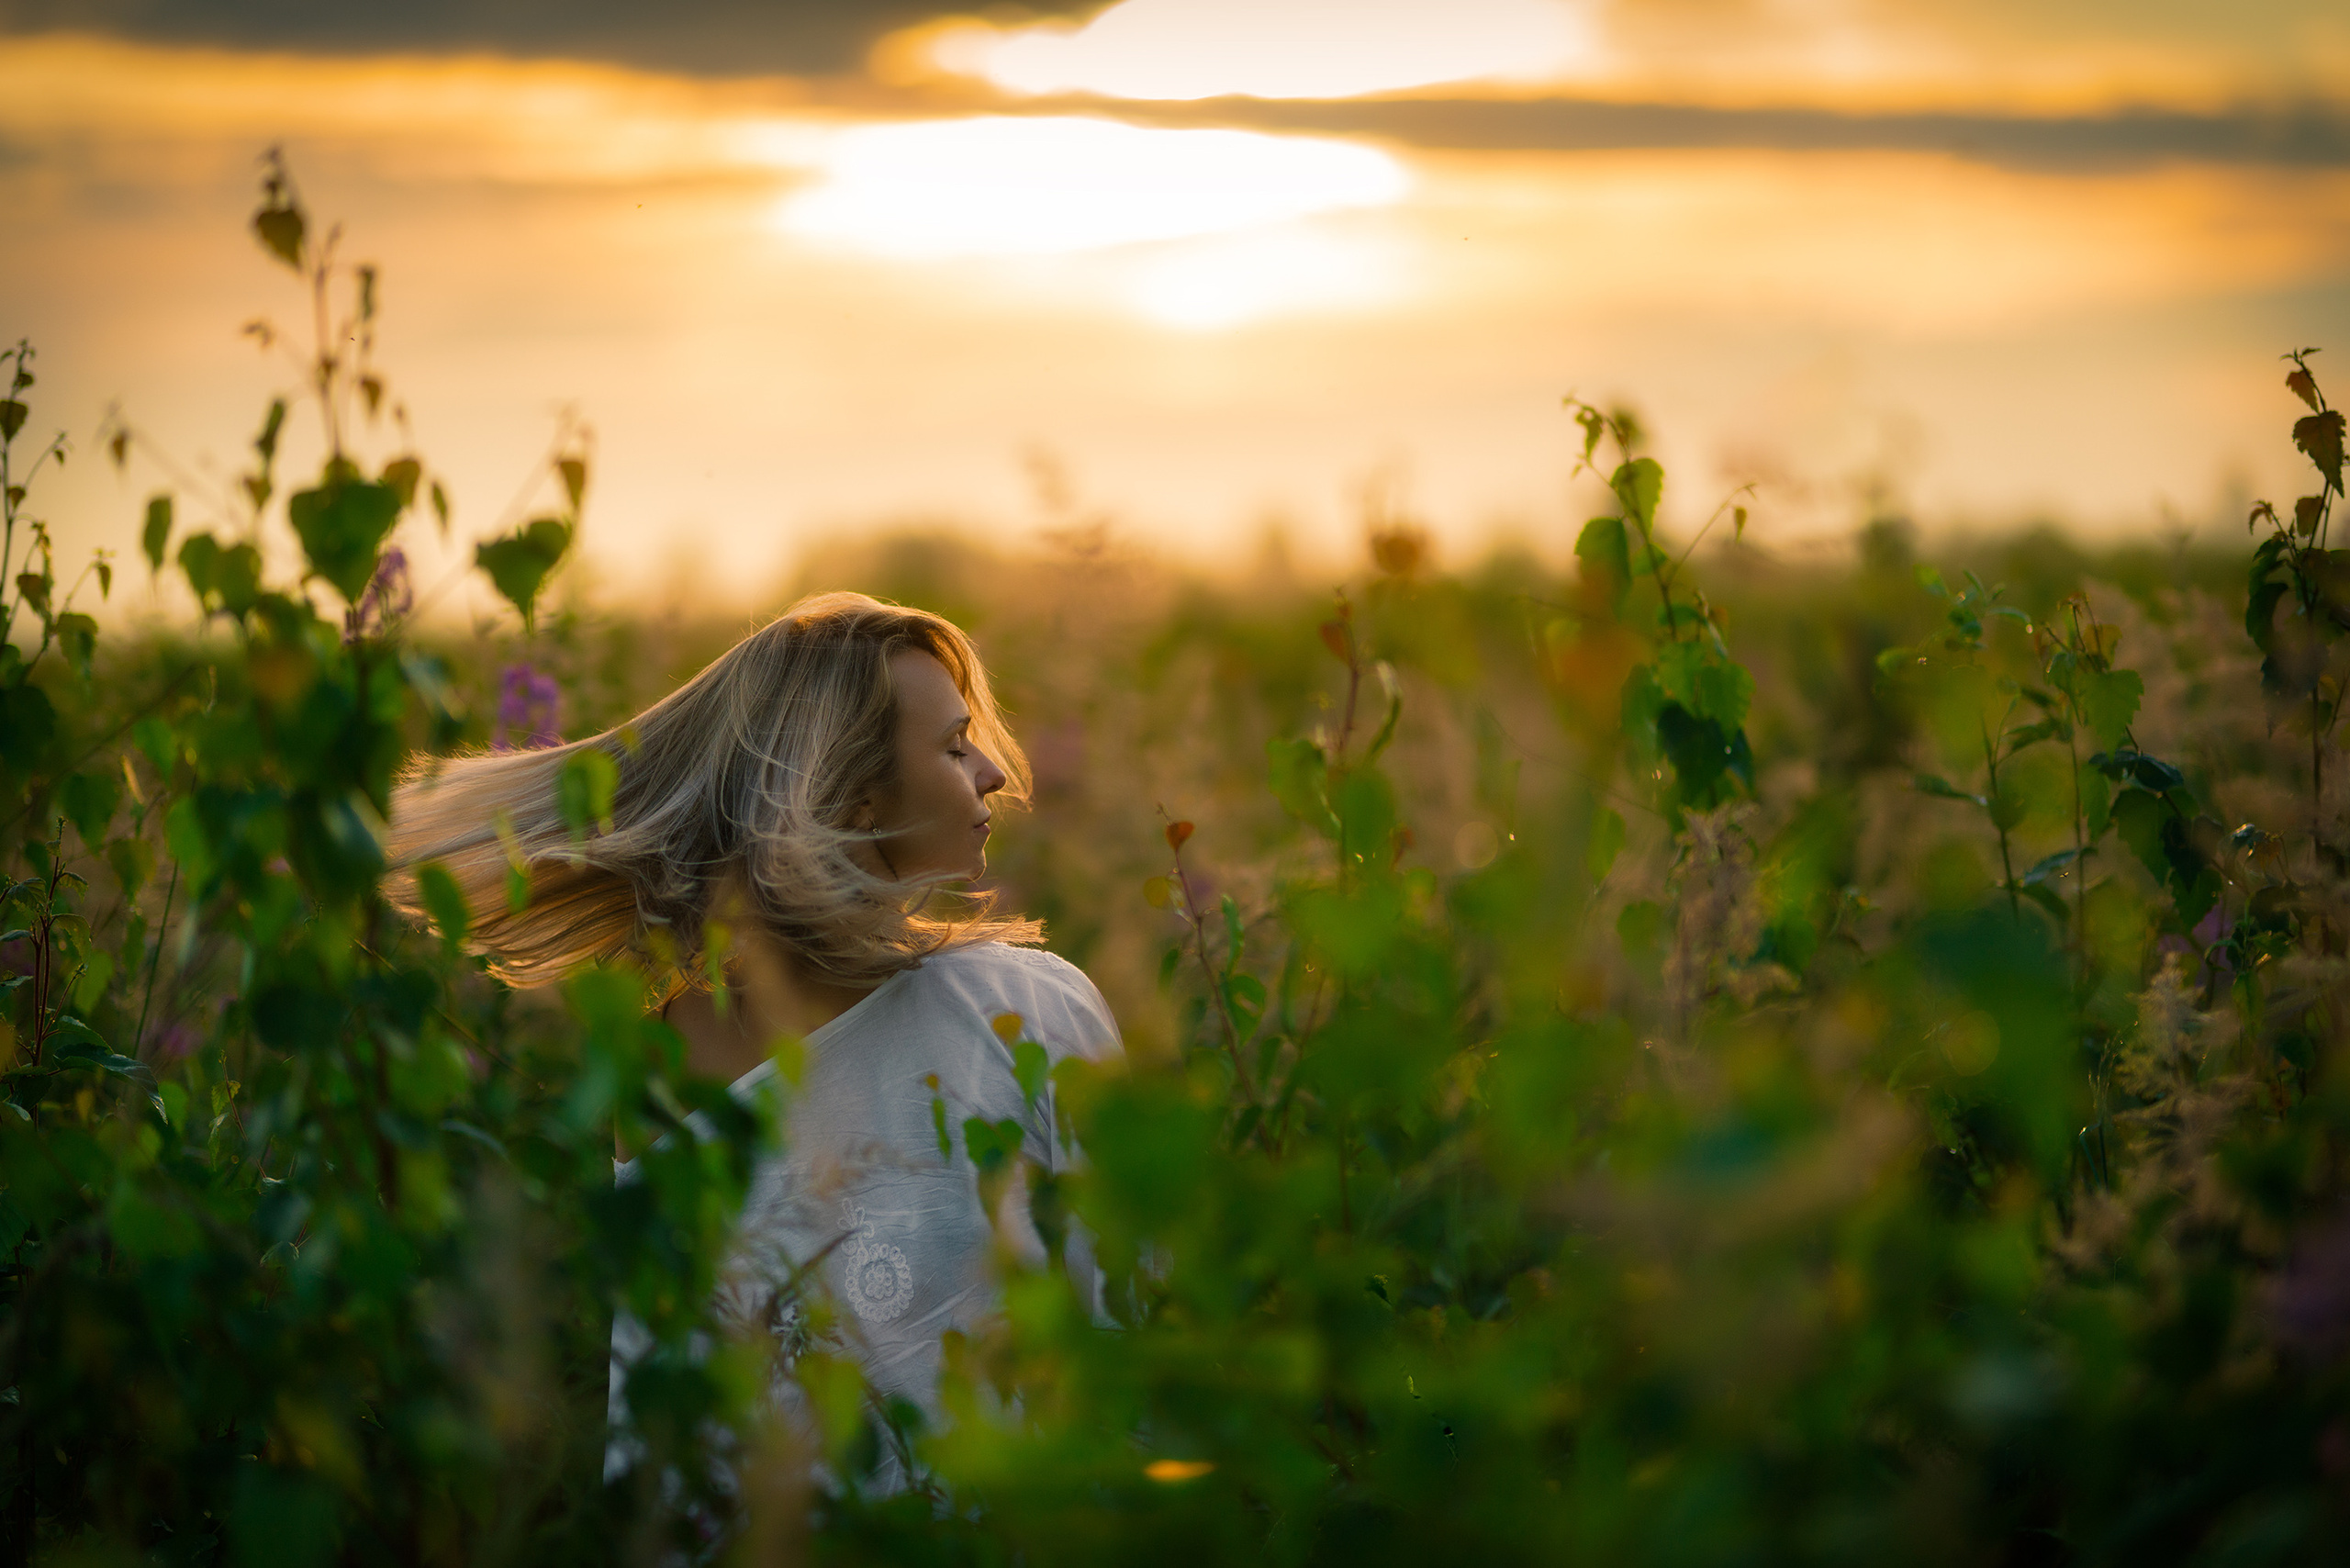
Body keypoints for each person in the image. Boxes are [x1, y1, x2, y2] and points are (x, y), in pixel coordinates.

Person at [384, 590, 1123, 1495]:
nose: (993, 774)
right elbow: (1130, 1331)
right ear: (851, 796)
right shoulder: (1024, 1010)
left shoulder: (667, 1056)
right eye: (952, 745)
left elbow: (667, 1444)